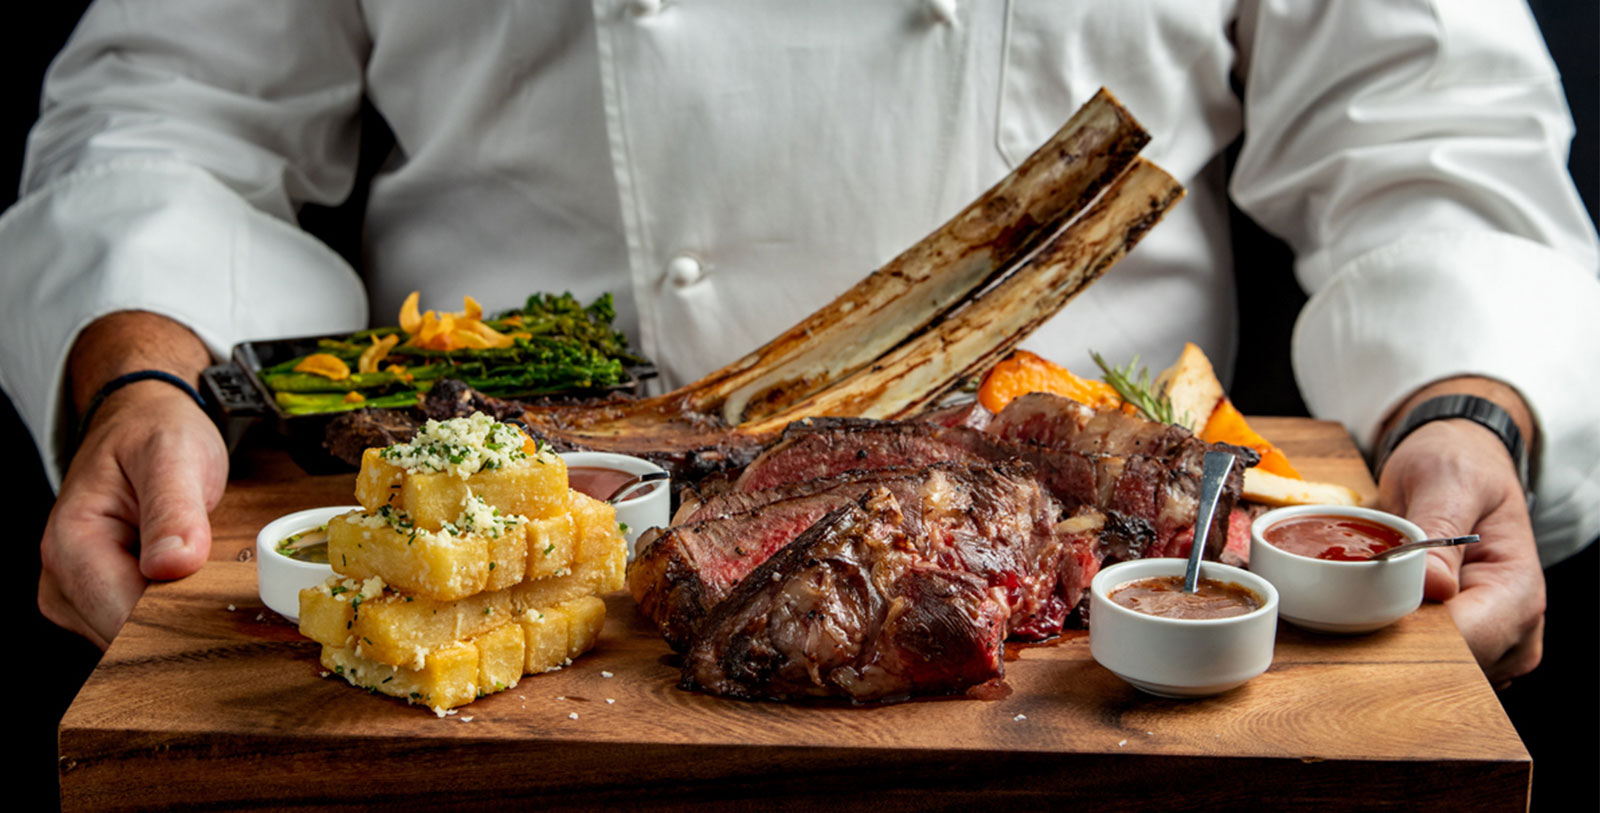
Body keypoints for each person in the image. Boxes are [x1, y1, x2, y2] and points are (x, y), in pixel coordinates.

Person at [3, 1, 1595, 686]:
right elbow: (173, 97)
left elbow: (1432, 125)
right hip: (506, 552)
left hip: (1104, 640)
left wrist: (1467, 405)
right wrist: (146, 367)